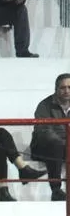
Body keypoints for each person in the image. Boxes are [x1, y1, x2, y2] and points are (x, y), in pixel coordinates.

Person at [31, 74, 70, 203]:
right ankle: (56, 190)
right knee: (55, 144)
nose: (66, 91)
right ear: (56, 89)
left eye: (69, 87)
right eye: (63, 87)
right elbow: (44, 131)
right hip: (43, 147)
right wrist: (65, 143)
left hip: (65, 146)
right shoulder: (44, 105)